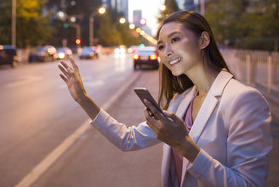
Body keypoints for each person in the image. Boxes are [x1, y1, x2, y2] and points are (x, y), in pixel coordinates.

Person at [58, 11, 272, 187]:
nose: (166, 51)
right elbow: (128, 139)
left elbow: (250, 183)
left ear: (203, 40)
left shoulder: (244, 100)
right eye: (161, 46)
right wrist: (82, 99)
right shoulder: (181, 101)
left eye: (175, 40)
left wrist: (183, 144)